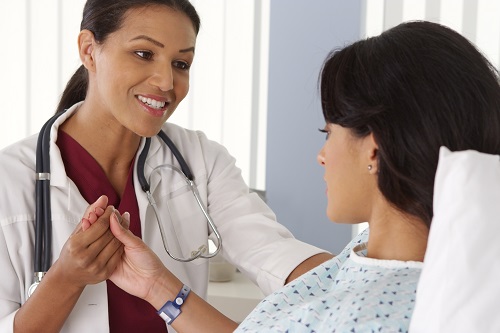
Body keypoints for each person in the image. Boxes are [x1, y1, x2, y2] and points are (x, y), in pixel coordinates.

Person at [90, 20, 500, 332]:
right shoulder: (368, 255)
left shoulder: (377, 310)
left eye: (329, 132)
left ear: (373, 148)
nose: (322, 156)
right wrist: (156, 286)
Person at [0, 1, 332, 332]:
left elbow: (273, 253)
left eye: (181, 63)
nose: (166, 81)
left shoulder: (200, 160)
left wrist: (361, 279)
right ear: (89, 50)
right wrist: (65, 279)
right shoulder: (10, 179)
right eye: (144, 54)